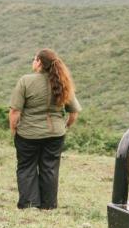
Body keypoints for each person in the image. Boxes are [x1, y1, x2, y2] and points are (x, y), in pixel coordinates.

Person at [9, 49, 81, 210]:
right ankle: (48, 205)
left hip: (28, 133)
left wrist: (14, 129)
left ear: (39, 62)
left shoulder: (26, 81)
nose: (33, 61)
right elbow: (74, 112)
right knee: (50, 168)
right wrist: (65, 126)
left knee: (26, 167)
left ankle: (29, 204)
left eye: (34, 59)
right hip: (55, 133)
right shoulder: (63, 82)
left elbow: (15, 111)